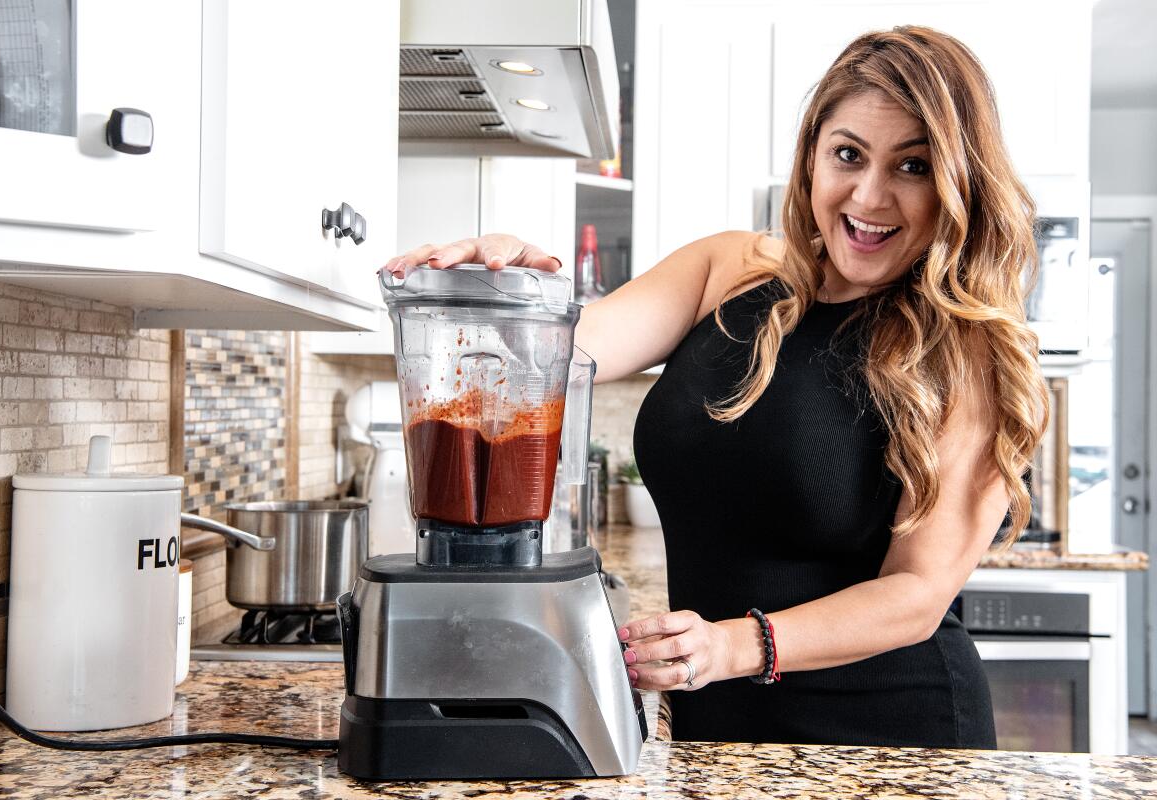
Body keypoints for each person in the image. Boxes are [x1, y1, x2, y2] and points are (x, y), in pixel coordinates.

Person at [384, 26, 1048, 749]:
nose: (869, 195)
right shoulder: (728, 271)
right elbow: (550, 358)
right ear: (812, 158)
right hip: (722, 729)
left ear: (958, 183)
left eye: (913, 166)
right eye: (848, 155)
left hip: (890, 739)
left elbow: (916, 595)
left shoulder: (972, 351)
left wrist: (731, 648)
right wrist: (505, 288)